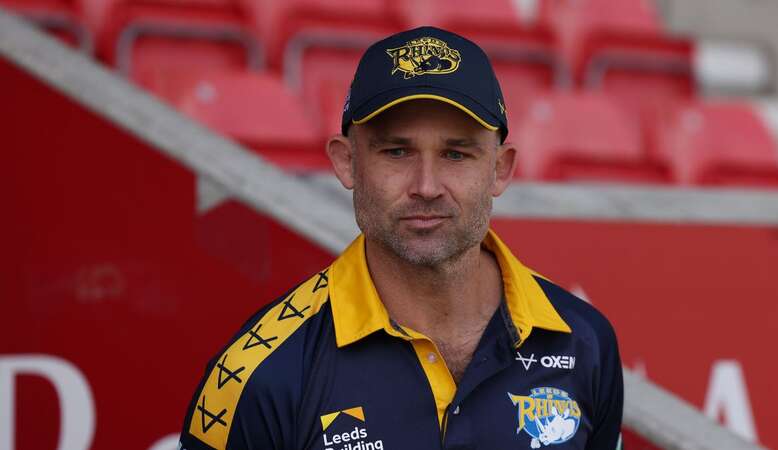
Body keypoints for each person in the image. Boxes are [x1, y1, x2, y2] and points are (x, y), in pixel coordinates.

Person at [179, 26, 623, 450]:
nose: (426, 186)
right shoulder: (255, 373)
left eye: (456, 154)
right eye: (396, 151)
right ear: (347, 162)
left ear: (500, 169)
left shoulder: (584, 341)